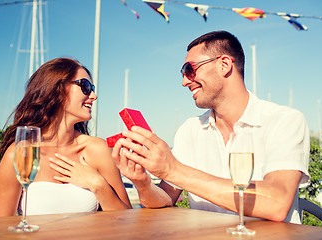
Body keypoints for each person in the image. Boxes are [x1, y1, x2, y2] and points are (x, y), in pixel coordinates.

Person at [111, 31, 310, 223]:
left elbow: (277, 203)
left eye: (189, 69)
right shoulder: (190, 130)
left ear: (224, 65)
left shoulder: (285, 120)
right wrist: (142, 183)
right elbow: (164, 200)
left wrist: (173, 169)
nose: (184, 81)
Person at [0, 57, 131, 217]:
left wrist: (98, 184)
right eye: (85, 87)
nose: (93, 96)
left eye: (92, 87)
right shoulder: (21, 153)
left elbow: (125, 220)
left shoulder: (98, 150)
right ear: (56, 88)